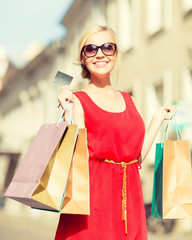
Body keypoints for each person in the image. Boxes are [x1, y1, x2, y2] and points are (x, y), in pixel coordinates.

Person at [55, 25, 176, 240]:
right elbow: (77, 154)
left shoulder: (128, 99)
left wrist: (157, 118)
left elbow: (135, 157)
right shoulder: (78, 101)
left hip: (130, 201)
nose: (100, 53)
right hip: (93, 202)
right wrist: (67, 112)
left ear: (116, 54)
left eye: (107, 47)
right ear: (83, 58)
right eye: (91, 49)